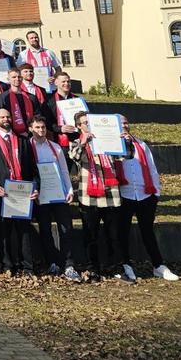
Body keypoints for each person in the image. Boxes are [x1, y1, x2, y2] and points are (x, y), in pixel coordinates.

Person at [69, 110, 134, 281]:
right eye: (85, 123)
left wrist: (126, 142)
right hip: (89, 196)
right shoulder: (76, 142)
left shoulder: (106, 139)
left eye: (90, 122)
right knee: (91, 235)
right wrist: (84, 142)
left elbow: (127, 155)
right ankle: (93, 268)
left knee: (114, 234)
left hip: (111, 194)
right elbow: (75, 156)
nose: (88, 125)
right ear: (79, 126)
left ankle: (116, 267)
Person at [117, 117, 180, 282]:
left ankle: (158, 265)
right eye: (120, 123)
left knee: (148, 231)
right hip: (124, 194)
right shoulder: (112, 146)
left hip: (145, 193)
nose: (124, 125)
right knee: (122, 232)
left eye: (125, 122)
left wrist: (156, 193)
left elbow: (151, 168)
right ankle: (126, 265)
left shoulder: (141, 144)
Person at [0, 108, 38, 276]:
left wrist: (35, 187)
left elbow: (32, 166)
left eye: (8, 116)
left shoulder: (22, 140)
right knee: (4, 230)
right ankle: (7, 265)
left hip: (22, 191)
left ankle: (27, 266)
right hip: (2, 191)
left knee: (24, 230)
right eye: (2, 117)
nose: (6, 119)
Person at [28, 115, 81, 281]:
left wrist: (69, 189)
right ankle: (53, 262)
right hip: (40, 195)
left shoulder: (56, 147)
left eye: (43, 127)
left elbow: (64, 170)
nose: (41, 130)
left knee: (66, 229)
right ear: (30, 129)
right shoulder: (27, 147)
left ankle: (69, 264)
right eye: (37, 127)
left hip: (59, 194)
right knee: (45, 230)